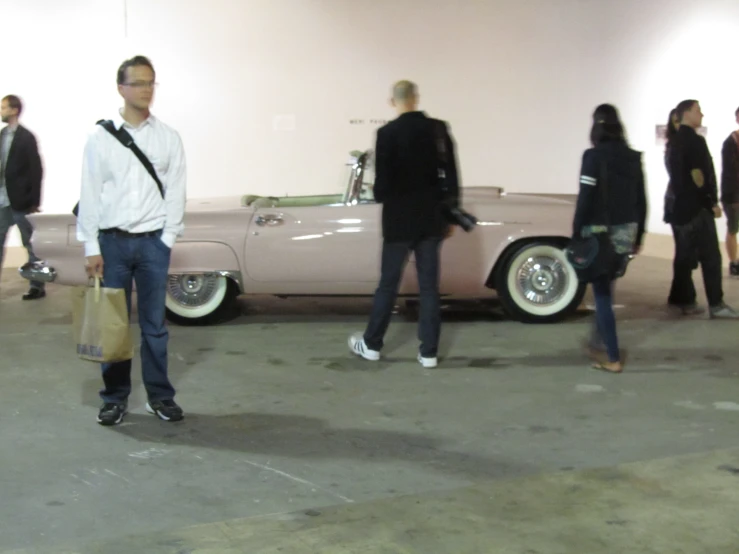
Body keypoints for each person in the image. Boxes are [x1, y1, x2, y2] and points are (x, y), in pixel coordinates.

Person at [77, 55, 187, 425]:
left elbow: (176, 191)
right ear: (121, 88)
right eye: (138, 83)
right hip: (113, 245)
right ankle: (114, 398)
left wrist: (167, 238)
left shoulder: (168, 137)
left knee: (155, 326)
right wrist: (91, 245)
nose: (146, 89)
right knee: (114, 325)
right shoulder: (100, 137)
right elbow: (89, 193)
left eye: (151, 82)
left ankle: (160, 396)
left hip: (154, 243)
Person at [348, 80, 459, 368]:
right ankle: (429, 353)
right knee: (429, 288)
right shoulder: (438, 129)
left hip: (398, 222)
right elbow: (452, 175)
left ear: (392, 101)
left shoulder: (386, 134)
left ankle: (372, 345)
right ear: (416, 98)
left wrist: (383, 192)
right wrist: (449, 213)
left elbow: (382, 187)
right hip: (431, 219)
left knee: (388, 285)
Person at [573, 104, 647, 373]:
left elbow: (585, 197)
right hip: (625, 232)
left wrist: (576, 230)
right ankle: (598, 342)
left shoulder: (593, 156)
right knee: (605, 286)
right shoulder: (632, 157)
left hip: (600, 232)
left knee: (602, 294)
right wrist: (638, 235)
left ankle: (613, 357)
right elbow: (641, 199)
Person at [669, 99, 737, 319]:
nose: (702, 114)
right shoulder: (695, 142)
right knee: (710, 258)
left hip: (681, 209)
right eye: (698, 110)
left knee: (684, 257)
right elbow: (700, 176)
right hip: (697, 209)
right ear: (686, 114)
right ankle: (716, 304)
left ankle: (685, 301)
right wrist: (710, 203)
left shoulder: (675, 142)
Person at [0, 94, 46, 299]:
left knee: (30, 244)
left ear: (14, 110)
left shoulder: (27, 137)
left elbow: (36, 170)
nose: (1, 111)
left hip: (20, 201)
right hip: (2, 201)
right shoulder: (2, 135)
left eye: (3, 108)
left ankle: (37, 286)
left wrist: (34, 201)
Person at [664, 107, 701, 313]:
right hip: (678, 204)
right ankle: (684, 297)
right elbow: (680, 180)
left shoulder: (673, 146)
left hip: (676, 202)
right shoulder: (675, 146)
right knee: (684, 253)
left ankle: (680, 295)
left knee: (683, 252)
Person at [720, 106, 739, 276]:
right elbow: (730, 172)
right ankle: (734, 262)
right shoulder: (730, 142)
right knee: (733, 228)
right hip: (733, 194)